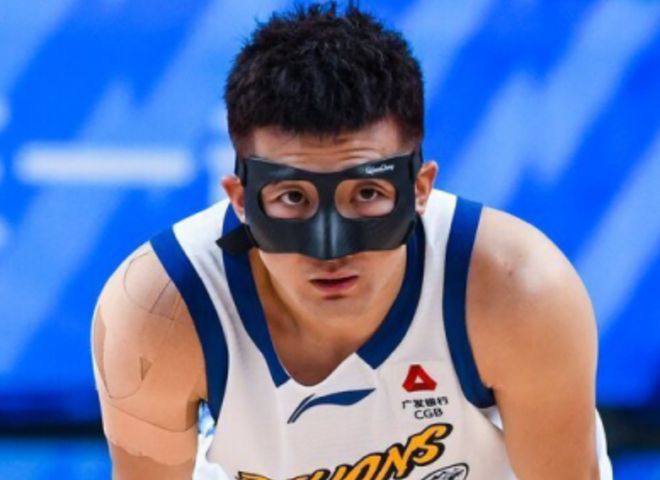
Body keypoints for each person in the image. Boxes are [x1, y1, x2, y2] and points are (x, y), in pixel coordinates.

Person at [91, 3, 612, 479]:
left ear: (420, 189)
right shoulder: (159, 311)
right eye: (293, 197)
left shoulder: (518, 290)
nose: (331, 250)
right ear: (241, 200)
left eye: (366, 193)